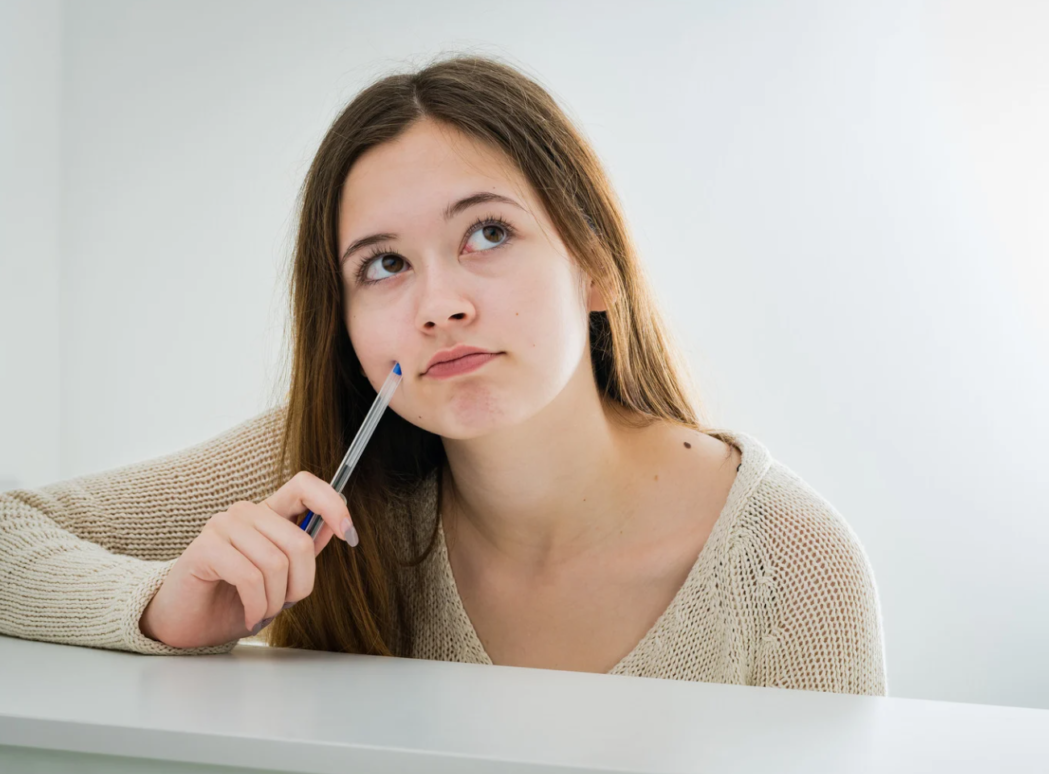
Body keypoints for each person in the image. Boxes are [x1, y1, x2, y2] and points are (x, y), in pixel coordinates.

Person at [0, 54, 887, 695]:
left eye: (488, 233)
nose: (438, 304)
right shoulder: (324, 473)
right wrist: (161, 608)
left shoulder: (792, 572)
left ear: (595, 266)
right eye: (383, 265)